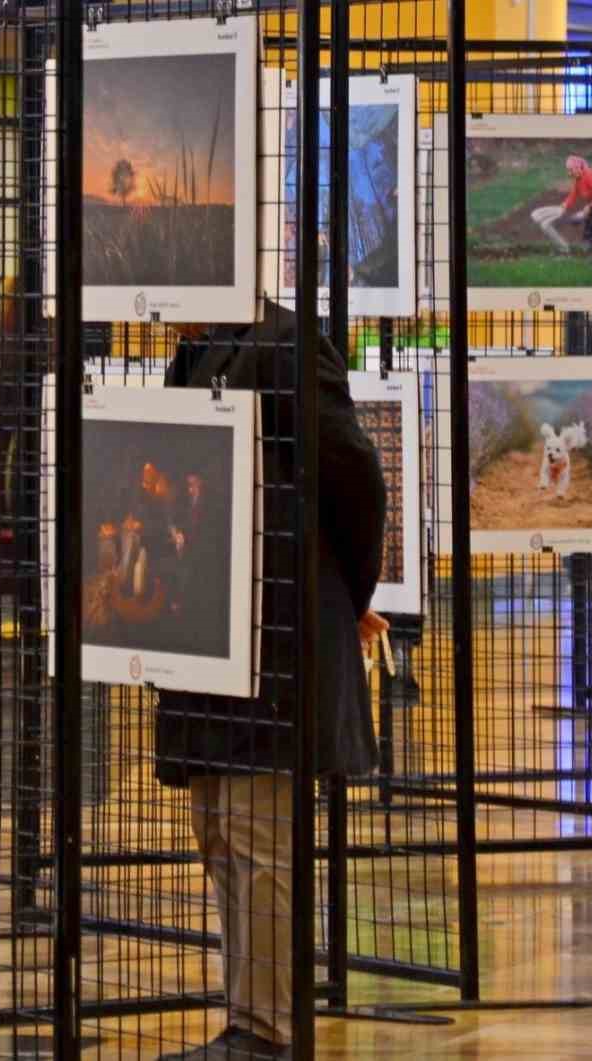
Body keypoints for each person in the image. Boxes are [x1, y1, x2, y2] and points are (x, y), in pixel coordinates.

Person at [155, 300, 387, 1060]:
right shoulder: (198, 352)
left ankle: (268, 1030)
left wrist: (345, 593)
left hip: (276, 635)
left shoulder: (289, 343)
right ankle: (246, 1020)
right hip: (209, 634)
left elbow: (355, 479)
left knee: (260, 833)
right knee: (218, 828)